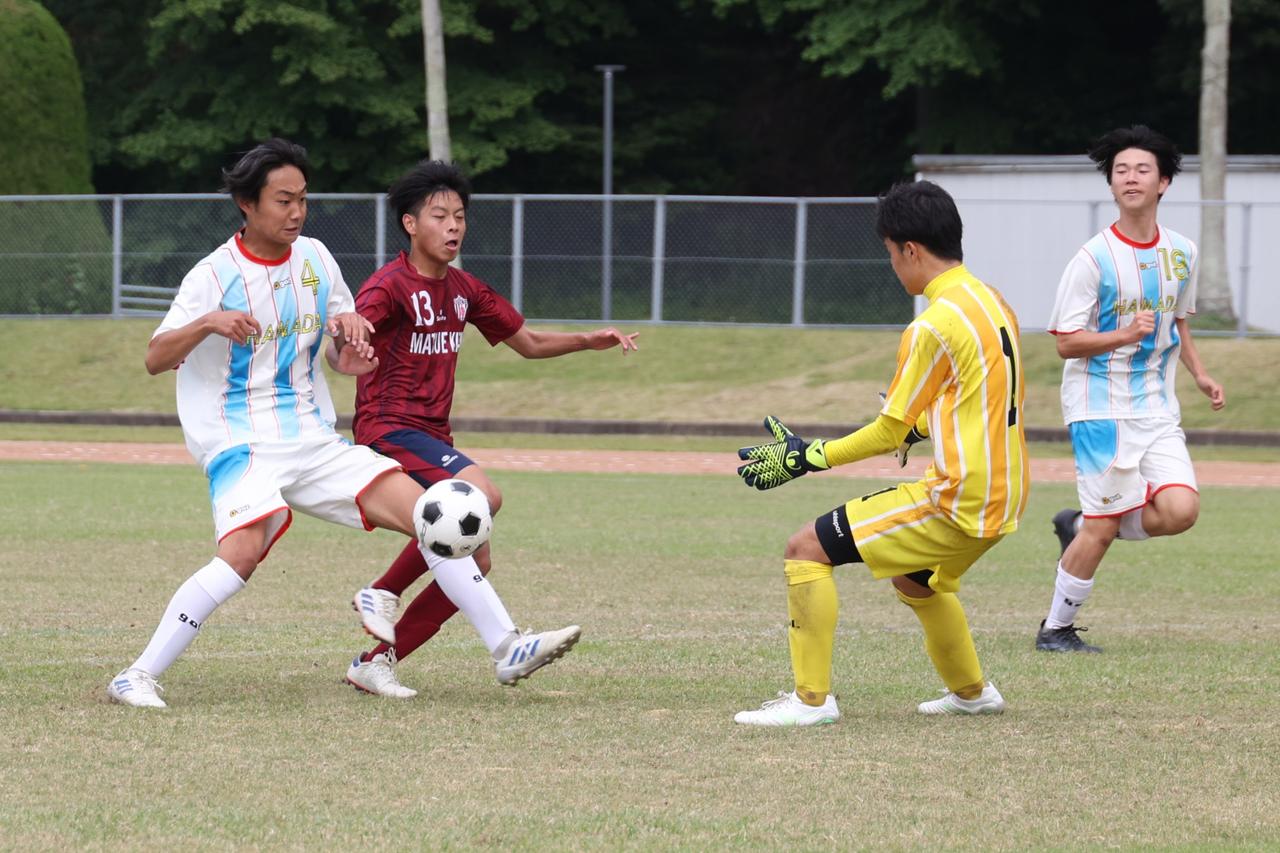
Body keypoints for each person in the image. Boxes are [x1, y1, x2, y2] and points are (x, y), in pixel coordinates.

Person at [106, 140, 514, 709]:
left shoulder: (318, 260)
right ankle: (137, 674)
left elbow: (335, 353)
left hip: (314, 439)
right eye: (283, 201)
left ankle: (507, 647)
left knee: (435, 515)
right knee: (244, 552)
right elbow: (155, 357)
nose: (296, 213)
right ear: (247, 205)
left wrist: (349, 352)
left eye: (303, 200)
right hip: (241, 442)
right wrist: (208, 322)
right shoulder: (214, 274)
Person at [733, 180, 1028, 726]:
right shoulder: (990, 299)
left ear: (910, 249)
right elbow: (981, 392)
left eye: (892, 254)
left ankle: (810, 703)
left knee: (805, 549)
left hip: (958, 496)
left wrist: (806, 456)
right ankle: (972, 693)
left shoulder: (932, 324)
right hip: (1006, 492)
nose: (894, 267)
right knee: (916, 579)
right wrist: (924, 429)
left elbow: (886, 432)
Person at [343, 160, 639, 698]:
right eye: (440, 215)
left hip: (432, 436)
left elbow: (527, 342)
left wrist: (586, 340)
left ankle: (375, 661)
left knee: (475, 557)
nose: (453, 225)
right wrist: (351, 341)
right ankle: (383, 592)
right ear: (410, 224)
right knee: (483, 496)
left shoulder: (464, 289)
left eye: (459, 215)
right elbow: (353, 332)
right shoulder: (388, 286)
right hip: (387, 428)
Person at [1037, 126, 1225, 653]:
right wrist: (1122, 334)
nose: (1130, 178)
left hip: (1157, 407)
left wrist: (1200, 372)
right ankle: (1055, 629)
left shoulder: (1181, 252)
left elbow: (1177, 322)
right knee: (1103, 527)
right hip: (1099, 408)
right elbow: (1066, 345)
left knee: (1180, 510)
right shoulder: (1092, 259)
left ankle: (1077, 524)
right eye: (1121, 171)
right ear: (1111, 184)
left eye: (1142, 169)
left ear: (1163, 182)